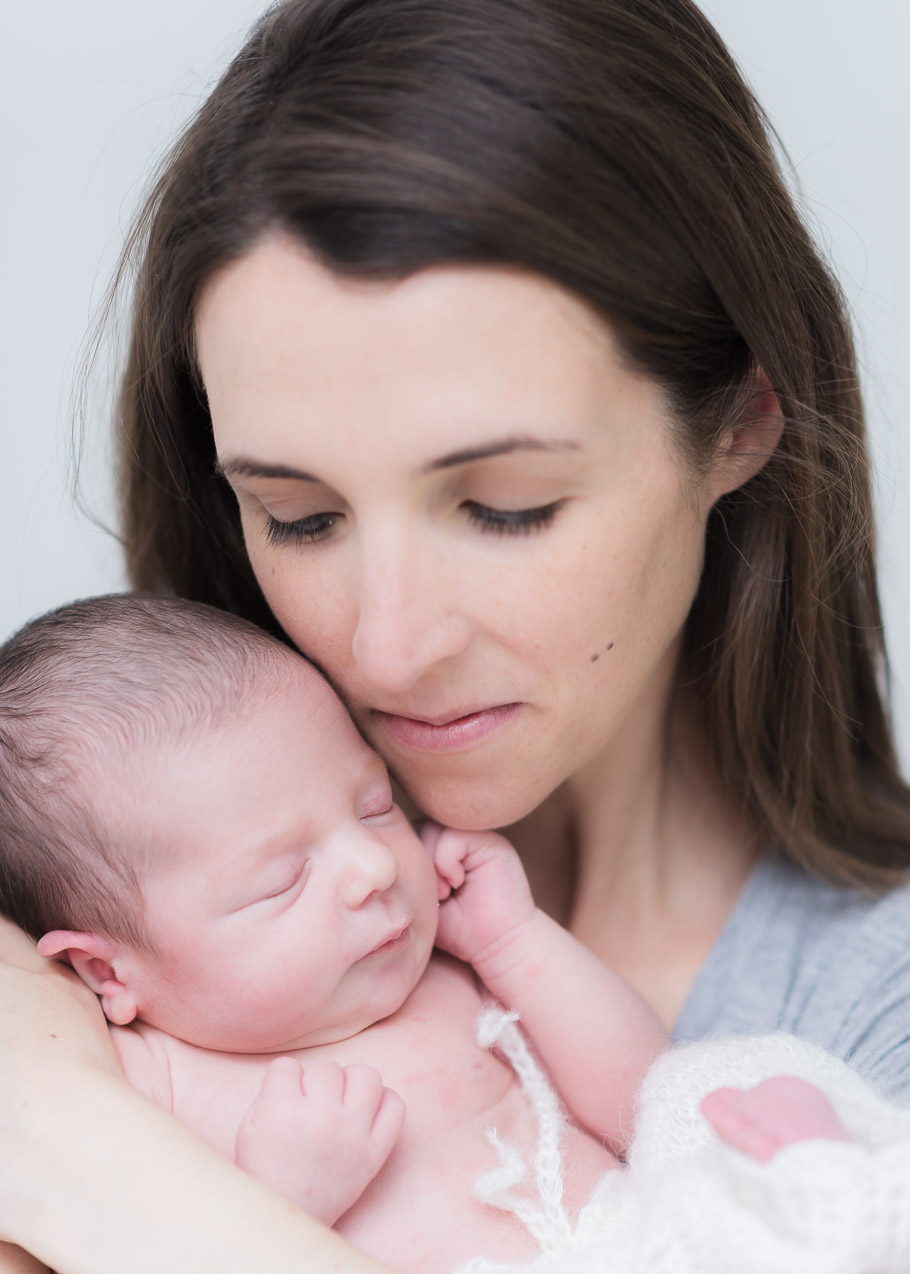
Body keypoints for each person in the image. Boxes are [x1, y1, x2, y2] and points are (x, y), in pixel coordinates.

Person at [2, 0, 910, 1270]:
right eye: (299, 515)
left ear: (742, 425)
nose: (382, 648)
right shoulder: (100, 868)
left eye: (504, 507)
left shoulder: (873, 1028)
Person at [0, 594, 875, 1274]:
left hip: (640, 1244)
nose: (373, 867)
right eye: (282, 878)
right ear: (107, 973)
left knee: (733, 1101)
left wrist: (516, 945)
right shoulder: (148, 1082)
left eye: (375, 805)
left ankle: (815, 1186)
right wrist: (275, 1198)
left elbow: (643, 1102)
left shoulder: (449, 975)